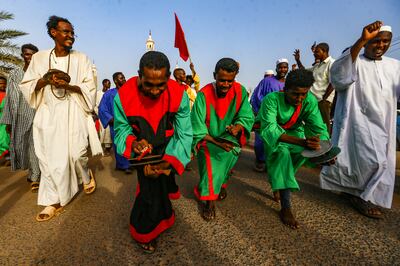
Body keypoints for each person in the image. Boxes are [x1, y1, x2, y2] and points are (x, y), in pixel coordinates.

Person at [20, 15, 102, 222]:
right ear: (53, 33)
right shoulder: (39, 58)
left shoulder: (81, 58)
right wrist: (45, 80)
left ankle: (85, 174)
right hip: (48, 113)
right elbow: (27, 85)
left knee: (76, 154)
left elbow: (89, 87)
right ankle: (53, 200)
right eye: (66, 32)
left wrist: (67, 86)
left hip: (74, 111)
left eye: (72, 32)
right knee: (49, 159)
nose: (70, 36)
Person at [113, 51, 192, 253]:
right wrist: (133, 144)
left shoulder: (179, 94)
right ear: (139, 75)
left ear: (168, 79)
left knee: (162, 185)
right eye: (149, 84)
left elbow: (184, 134)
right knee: (149, 190)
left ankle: (165, 218)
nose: (155, 91)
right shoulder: (123, 96)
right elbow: (122, 130)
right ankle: (144, 230)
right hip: (143, 150)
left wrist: (168, 163)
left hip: (168, 147)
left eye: (161, 85)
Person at [320, 21, 400, 219]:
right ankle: (360, 197)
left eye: (386, 42)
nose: (381, 46)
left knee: (380, 161)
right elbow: (338, 77)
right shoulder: (354, 59)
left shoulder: (395, 66)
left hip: (385, 123)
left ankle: (356, 193)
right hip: (358, 121)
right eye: (376, 41)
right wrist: (361, 40)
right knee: (373, 161)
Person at [258, 68, 330, 229]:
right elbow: (270, 129)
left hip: (297, 135)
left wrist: (325, 150)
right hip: (276, 136)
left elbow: (319, 128)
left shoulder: (309, 101)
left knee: (300, 157)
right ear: (285, 90)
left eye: (303, 94)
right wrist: (302, 142)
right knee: (282, 154)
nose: (300, 98)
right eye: (295, 94)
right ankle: (286, 206)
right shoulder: (271, 99)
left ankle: (279, 183)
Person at [191, 57, 254, 221]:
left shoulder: (240, 91)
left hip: (229, 138)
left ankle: (219, 185)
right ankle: (209, 201)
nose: (225, 85)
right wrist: (216, 141)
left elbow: (246, 116)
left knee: (232, 153)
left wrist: (238, 127)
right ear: (214, 76)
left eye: (229, 81)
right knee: (213, 159)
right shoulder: (203, 95)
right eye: (222, 80)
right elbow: (197, 128)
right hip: (208, 138)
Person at [0, 44, 41, 192]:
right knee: (21, 146)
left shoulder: (40, 74)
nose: (30, 57)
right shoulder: (15, 74)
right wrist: (9, 121)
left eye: (33, 55)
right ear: (22, 55)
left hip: (37, 114)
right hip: (20, 116)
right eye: (27, 54)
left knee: (35, 145)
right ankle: (32, 172)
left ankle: (35, 176)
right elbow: (10, 97)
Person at [250, 59, 289, 174]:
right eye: (280, 67)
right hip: (265, 115)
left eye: (285, 67)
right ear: (276, 68)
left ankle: (272, 164)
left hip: (281, 118)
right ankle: (260, 161)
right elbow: (257, 96)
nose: (283, 69)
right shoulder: (267, 81)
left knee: (277, 141)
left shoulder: (288, 83)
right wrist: (264, 110)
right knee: (260, 142)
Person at [293, 42, 335, 132]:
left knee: (324, 124)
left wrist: (324, 99)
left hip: (324, 100)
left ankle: (326, 143)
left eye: (317, 52)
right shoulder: (318, 65)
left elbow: (333, 82)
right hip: (314, 100)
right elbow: (304, 71)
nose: (314, 54)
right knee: (315, 123)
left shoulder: (331, 63)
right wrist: (298, 60)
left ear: (324, 51)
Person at [98, 72, 131, 174]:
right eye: (122, 78)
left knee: (130, 142)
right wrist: (111, 119)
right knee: (119, 144)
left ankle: (128, 164)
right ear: (116, 81)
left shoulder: (129, 92)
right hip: (116, 125)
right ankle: (123, 165)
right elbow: (102, 109)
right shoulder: (109, 94)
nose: (124, 79)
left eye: (124, 77)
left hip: (129, 124)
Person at [95, 79, 112, 156]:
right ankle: (100, 148)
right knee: (101, 132)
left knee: (108, 133)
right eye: (108, 83)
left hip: (108, 115)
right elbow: (95, 104)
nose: (109, 84)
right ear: (104, 84)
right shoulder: (98, 93)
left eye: (110, 83)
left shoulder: (110, 93)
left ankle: (108, 149)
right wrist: (98, 113)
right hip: (100, 115)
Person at [0, 76, 10, 160]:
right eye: (0, 84)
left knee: (5, 138)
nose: (2, 85)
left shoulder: (8, 95)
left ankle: (6, 155)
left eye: (4, 84)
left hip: (5, 121)